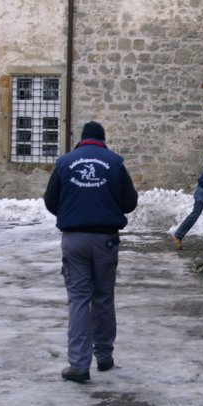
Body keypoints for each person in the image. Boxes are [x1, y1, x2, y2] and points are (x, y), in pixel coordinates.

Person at [43, 121, 138, 383]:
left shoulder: (64, 163)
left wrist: (71, 211)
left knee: (78, 300)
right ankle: (104, 356)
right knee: (104, 297)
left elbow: (50, 201)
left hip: (74, 241)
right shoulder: (115, 163)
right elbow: (130, 203)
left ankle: (79, 364)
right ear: (103, 139)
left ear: (81, 140)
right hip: (106, 240)